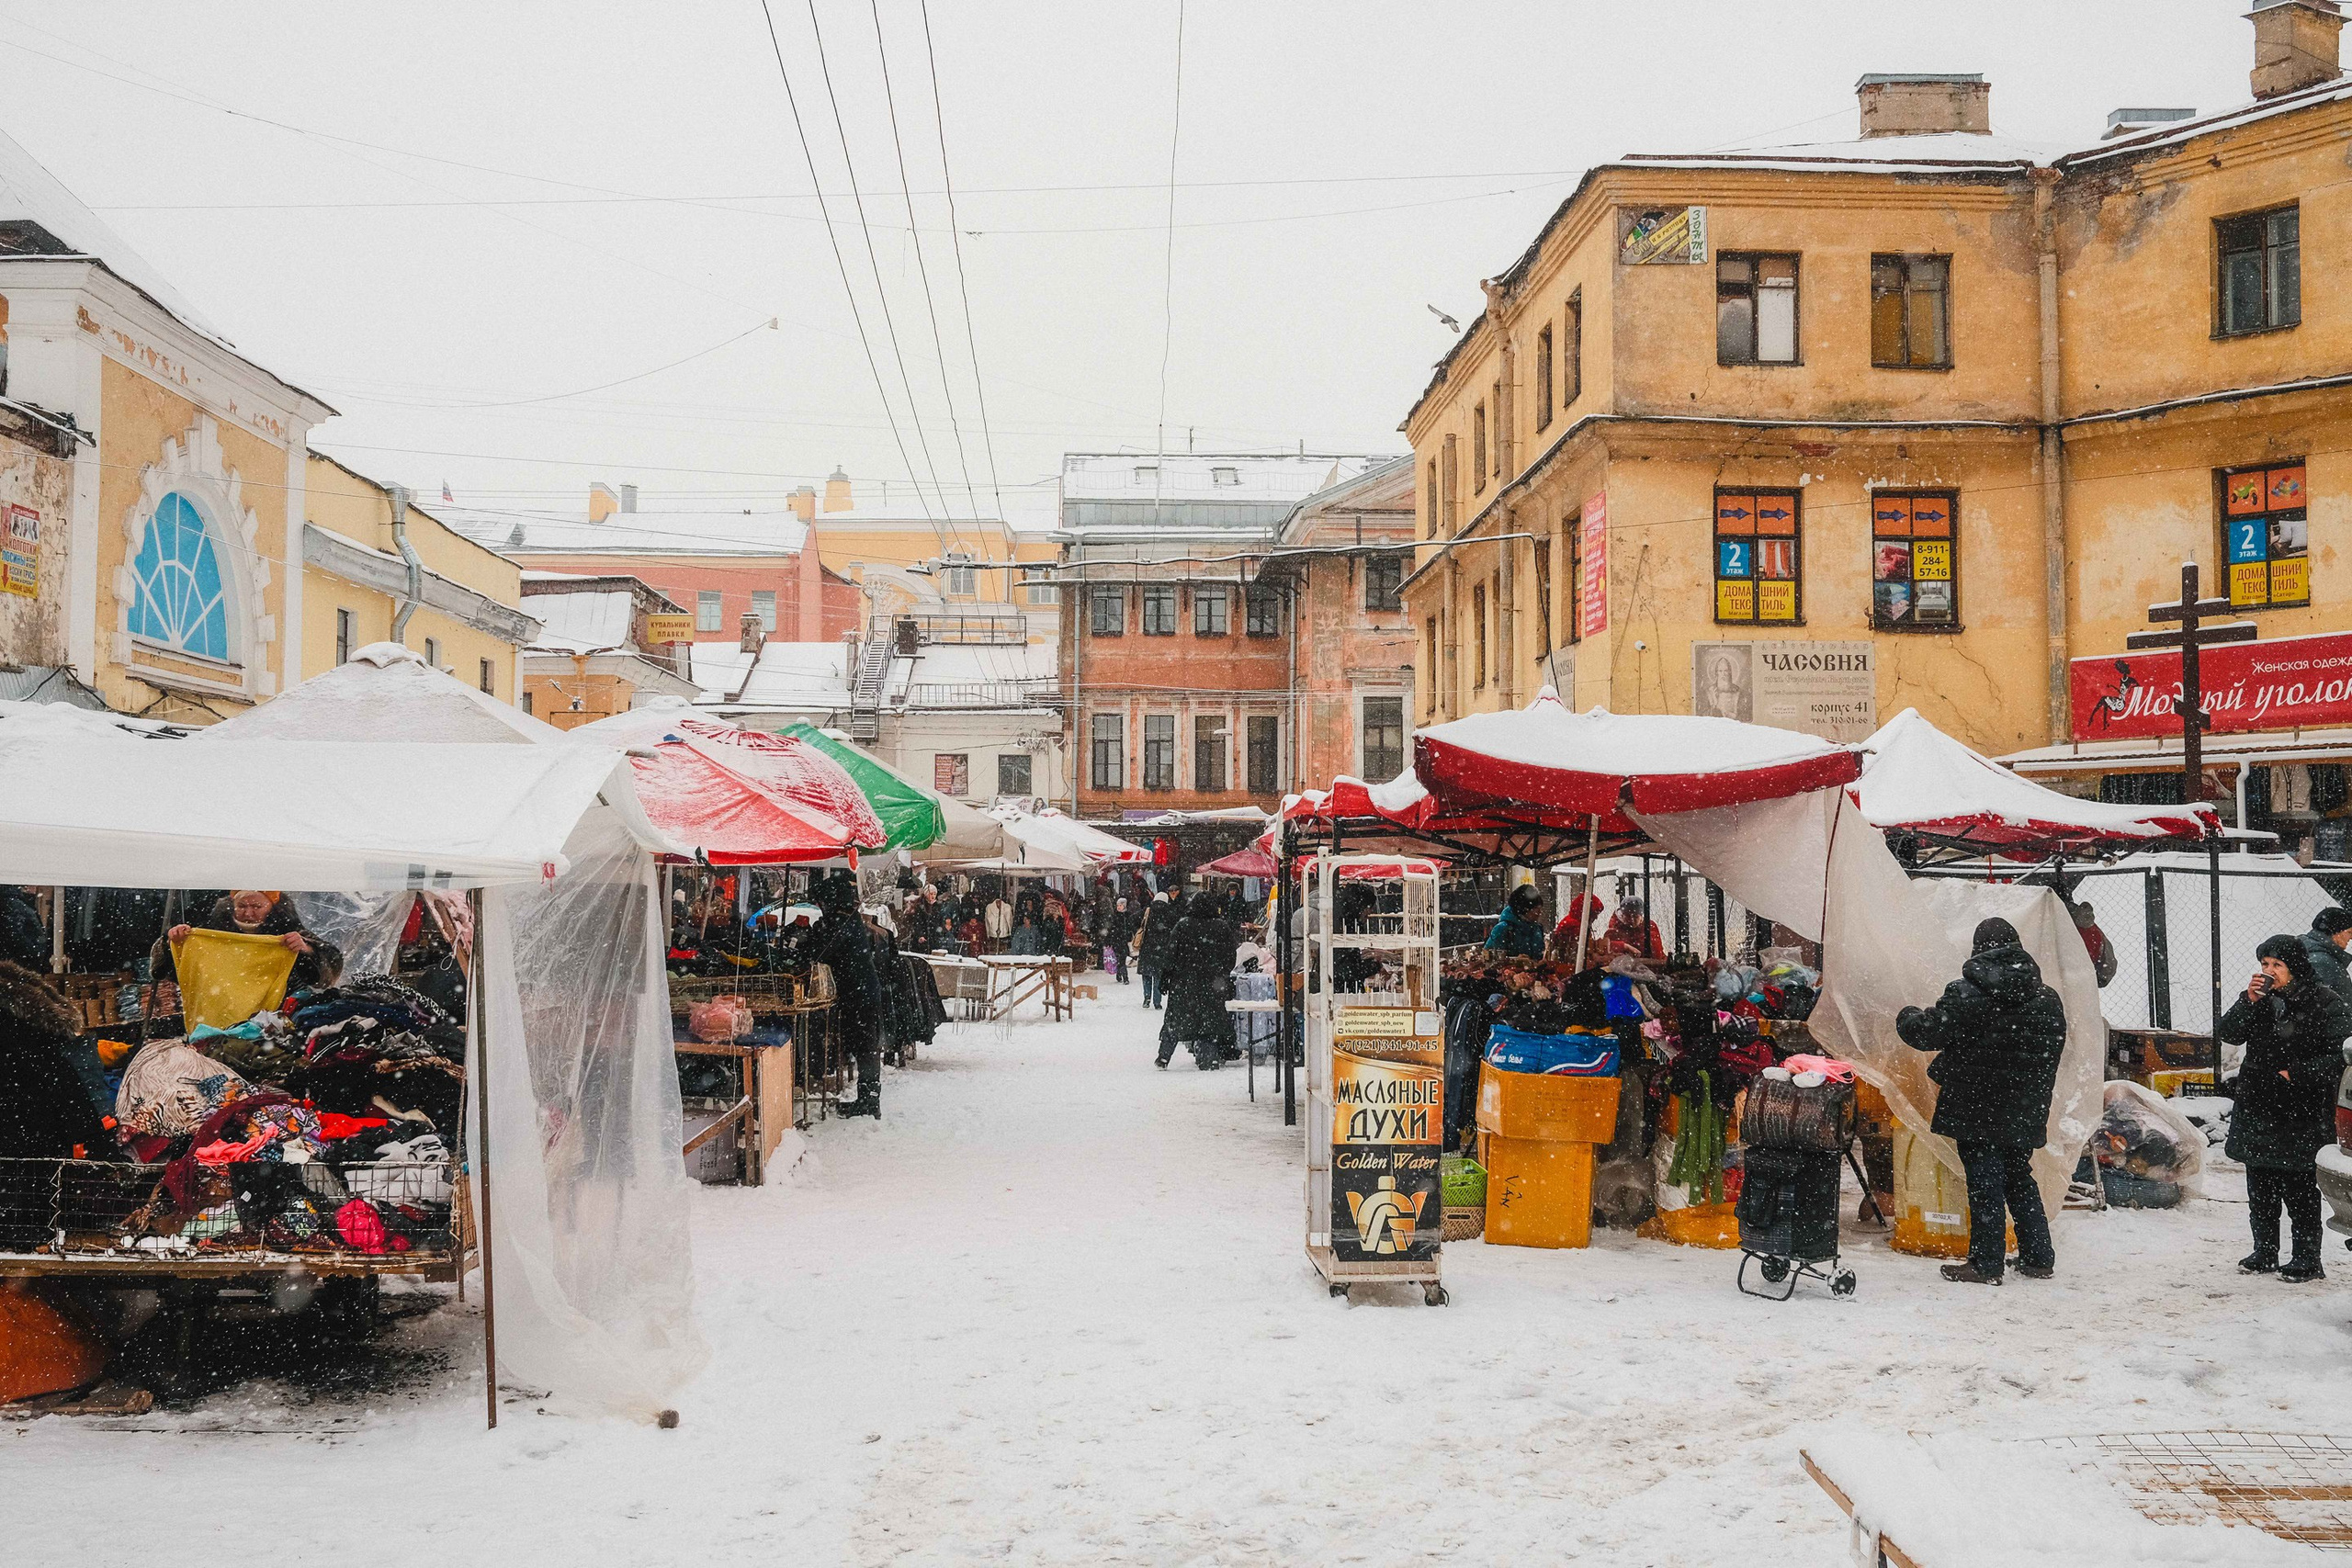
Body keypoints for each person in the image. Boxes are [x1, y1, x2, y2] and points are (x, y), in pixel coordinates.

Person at [1895, 917, 2066, 1286]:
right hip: (2025, 1106)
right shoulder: (2047, 999)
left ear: (1978, 950)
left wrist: (1907, 1015)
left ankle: (1986, 1264)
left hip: (1977, 1104)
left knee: (1984, 1181)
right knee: (2019, 1177)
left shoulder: (1967, 993)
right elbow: (2048, 1052)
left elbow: (1928, 1033)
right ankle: (2038, 1257)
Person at [2218, 933, 2352, 1281]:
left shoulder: (2324, 1001)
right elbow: (2229, 1033)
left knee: (2299, 1189)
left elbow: (2340, 1056)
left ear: (2295, 967)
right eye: (2265, 964)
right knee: (2259, 1185)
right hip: (2259, 1106)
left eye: (2278, 965)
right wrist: (2248, 1000)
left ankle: (2307, 1259)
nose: (2269, 971)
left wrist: (2297, 1073)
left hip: (2300, 1110)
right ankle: (2265, 1251)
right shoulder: (2259, 1000)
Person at [0, 958, 111, 1159]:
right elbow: (69, 1089)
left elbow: (66, 1087)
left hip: (29, 1136)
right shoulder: (36, 1042)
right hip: (35, 1138)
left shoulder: (30, 1042)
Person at [154, 889, 342, 991]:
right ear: (232, 905)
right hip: (224, 1007)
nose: (248, 913)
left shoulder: (290, 931)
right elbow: (174, 974)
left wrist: (307, 949)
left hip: (279, 1013)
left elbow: (329, 971)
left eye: (257, 906)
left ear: (272, 905)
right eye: (242, 906)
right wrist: (174, 942)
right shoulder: (210, 931)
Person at [810, 872, 886, 1119]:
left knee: (865, 1046)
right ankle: (868, 1099)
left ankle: (869, 1102)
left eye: (822, 902)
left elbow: (823, 952)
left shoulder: (842, 922)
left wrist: (809, 946)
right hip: (861, 991)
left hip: (859, 993)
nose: (821, 907)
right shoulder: (848, 919)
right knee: (865, 1045)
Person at [1158, 894, 1238, 1070]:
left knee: (1175, 1019)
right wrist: (1221, 972)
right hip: (1212, 983)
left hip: (1184, 982)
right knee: (1210, 1021)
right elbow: (1231, 955)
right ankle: (1209, 1059)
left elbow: (1171, 953)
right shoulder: (1221, 927)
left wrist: (1166, 976)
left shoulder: (1183, 925)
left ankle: (1164, 1056)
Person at [2298, 908, 2352, 1007]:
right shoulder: (2322, 962)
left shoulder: (2309, 951)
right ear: (2336, 931)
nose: (2351, 937)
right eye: (2349, 932)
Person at [1137, 891, 1179, 1010]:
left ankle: (1147, 998)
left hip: (1147, 947)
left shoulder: (1148, 911)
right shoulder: (1170, 913)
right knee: (1158, 975)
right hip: (1162, 950)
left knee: (1146, 974)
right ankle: (1157, 1001)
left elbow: (1132, 920)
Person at [1484, 884, 1547, 958]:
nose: (1540, 912)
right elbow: (1489, 957)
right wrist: (1515, 962)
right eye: (1536, 908)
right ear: (1524, 909)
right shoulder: (1502, 929)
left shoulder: (1537, 928)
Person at [1548, 888, 1606, 967]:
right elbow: (1578, 954)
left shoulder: (1574, 922)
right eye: (1594, 913)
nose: (1596, 917)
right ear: (1586, 911)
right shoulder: (1575, 926)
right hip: (1568, 968)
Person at [2069, 898, 2119, 989]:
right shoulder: (2096, 933)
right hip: (2086, 973)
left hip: (2072, 971)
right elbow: (2109, 961)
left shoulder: (2067, 925)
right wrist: (2101, 978)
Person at [1600, 897, 1666, 964]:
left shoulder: (1649, 927)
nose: (1632, 920)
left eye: (1635, 917)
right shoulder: (1615, 929)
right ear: (1622, 915)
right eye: (1628, 916)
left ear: (1641, 916)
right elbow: (1604, 948)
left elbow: (1657, 954)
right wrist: (1624, 946)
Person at [0, 886, 44, 970]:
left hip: (16, 962)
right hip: (20, 963)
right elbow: (15, 934)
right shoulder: (15, 903)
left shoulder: (12, 902)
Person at [1104, 896, 1140, 984]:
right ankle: (1121, 975)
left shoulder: (1128, 916)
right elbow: (1110, 929)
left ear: (1124, 905)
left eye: (1120, 905)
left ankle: (1124, 977)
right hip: (1116, 941)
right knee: (1119, 959)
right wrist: (1108, 940)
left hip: (1125, 941)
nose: (1118, 907)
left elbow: (1132, 927)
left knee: (1122, 959)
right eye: (1117, 905)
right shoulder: (1114, 916)